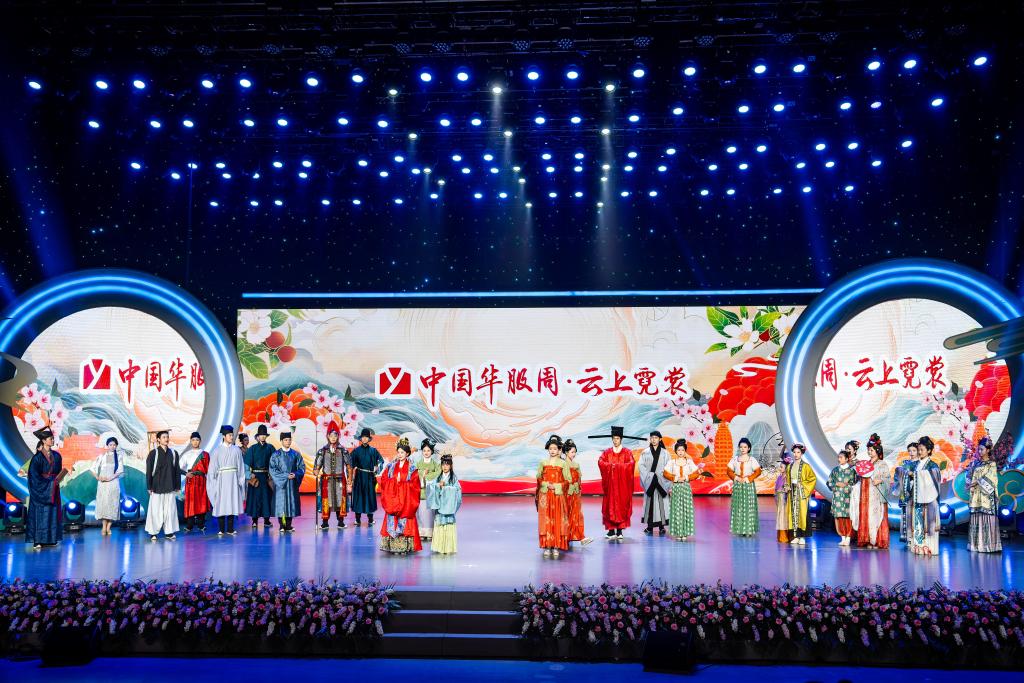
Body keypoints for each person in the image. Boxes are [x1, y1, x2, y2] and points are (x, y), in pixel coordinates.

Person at [591, 425, 643, 540]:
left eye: (617, 438)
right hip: (610, 485)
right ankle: (611, 530)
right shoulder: (607, 452)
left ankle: (619, 530)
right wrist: (611, 466)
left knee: (621, 505)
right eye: (614, 438)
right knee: (609, 505)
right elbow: (601, 462)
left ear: (621, 439)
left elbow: (631, 464)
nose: (615, 441)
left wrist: (618, 467)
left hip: (622, 486)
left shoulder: (627, 452)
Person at [378, 437, 422, 554]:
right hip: (393, 500)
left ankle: (404, 547)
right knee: (392, 518)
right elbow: (383, 480)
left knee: (405, 518)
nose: (400, 454)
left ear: (407, 453)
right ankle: (392, 546)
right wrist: (393, 482)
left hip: (405, 501)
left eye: (402, 452)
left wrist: (402, 484)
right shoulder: (390, 466)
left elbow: (415, 486)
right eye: (398, 452)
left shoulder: (412, 468)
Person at [26, 427, 65, 549]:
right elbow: (33, 476)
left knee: (52, 513)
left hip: (53, 488)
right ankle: (38, 540)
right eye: (50, 439)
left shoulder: (57, 456)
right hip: (41, 489)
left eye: (53, 438)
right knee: (40, 514)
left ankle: (51, 539)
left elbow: (58, 473)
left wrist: (57, 480)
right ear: (43, 441)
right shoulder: (37, 458)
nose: (53, 440)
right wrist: (48, 483)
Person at [850, 433, 890, 549]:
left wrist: (880, 480)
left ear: (877, 451)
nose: (869, 452)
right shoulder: (866, 464)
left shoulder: (882, 464)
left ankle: (876, 540)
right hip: (866, 494)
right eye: (868, 450)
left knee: (876, 517)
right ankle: (867, 539)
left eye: (871, 450)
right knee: (867, 516)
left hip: (876, 495)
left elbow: (887, 478)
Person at [536, 434, 571, 557]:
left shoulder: (563, 464)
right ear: (548, 449)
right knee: (545, 520)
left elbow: (568, 480)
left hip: (557, 496)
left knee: (557, 519)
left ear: (559, 450)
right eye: (550, 448)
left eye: (555, 449)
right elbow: (538, 478)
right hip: (545, 495)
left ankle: (556, 546)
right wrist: (546, 484)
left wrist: (556, 486)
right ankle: (547, 546)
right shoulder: (543, 463)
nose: (552, 451)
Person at [208, 425, 246, 536]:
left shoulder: (236, 450)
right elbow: (212, 469)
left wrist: (241, 481)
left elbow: (240, 467)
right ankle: (221, 529)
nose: (231, 437)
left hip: (233, 480)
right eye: (229, 435)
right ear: (224, 436)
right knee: (221, 503)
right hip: (221, 481)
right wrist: (214, 483)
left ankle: (230, 529)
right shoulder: (217, 451)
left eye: (232, 435)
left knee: (232, 503)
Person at [908, 435, 942, 556]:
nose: (919, 452)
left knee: (928, 524)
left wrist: (916, 475)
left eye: (922, 449)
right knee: (917, 523)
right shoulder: (915, 464)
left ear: (929, 450)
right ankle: (918, 547)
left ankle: (930, 547)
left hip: (929, 501)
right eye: (919, 449)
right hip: (916, 499)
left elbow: (935, 480)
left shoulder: (933, 465)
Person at [968, 435, 1002, 553]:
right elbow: (971, 476)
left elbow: (992, 479)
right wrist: (970, 482)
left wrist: (977, 482)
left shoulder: (991, 464)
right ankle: (976, 545)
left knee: (986, 517)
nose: (980, 451)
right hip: (976, 495)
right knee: (976, 516)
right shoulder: (976, 464)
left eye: (982, 449)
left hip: (986, 496)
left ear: (988, 450)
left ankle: (988, 546)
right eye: (979, 449)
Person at [145, 430, 181, 541]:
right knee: (155, 511)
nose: (166, 439)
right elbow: (149, 471)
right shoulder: (153, 453)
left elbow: (177, 470)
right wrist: (149, 486)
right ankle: (153, 532)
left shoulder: (173, 453)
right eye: (164, 437)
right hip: (157, 486)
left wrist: (177, 486)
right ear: (158, 439)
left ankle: (169, 532)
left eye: (167, 437)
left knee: (170, 511)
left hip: (170, 486)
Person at [313, 421, 348, 530]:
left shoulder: (343, 450)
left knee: (339, 500)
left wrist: (350, 479)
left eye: (335, 435)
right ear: (328, 436)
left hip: (339, 480)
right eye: (331, 435)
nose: (333, 438)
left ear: (338, 436)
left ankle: (340, 522)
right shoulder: (322, 451)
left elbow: (349, 465)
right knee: (326, 501)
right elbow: (317, 465)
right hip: (326, 480)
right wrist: (316, 470)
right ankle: (325, 522)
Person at [780, 443, 817, 545]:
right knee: (792, 514)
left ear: (802, 453)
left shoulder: (806, 466)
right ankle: (796, 536)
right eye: (795, 452)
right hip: (792, 492)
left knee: (802, 514)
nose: (796, 454)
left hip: (801, 493)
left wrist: (801, 484)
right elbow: (787, 480)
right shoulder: (790, 466)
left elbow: (812, 479)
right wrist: (787, 486)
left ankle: (803, 537)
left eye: (798, 452)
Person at [663, 439, 700, 540]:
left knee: (686, 510)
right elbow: (665, 473)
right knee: (676, 510)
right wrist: (675, 478)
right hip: (676, 488)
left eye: (682, 450)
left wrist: (686, 477)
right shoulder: (672, 462)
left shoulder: (689, 462)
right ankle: (678, 532)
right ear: (676, 451)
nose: (680, 452)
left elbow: (696, 473)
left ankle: (685, 533)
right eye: (679, 450)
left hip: (686, 488)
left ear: (685, 451)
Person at [427, 454, 462, 554]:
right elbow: (431, 487)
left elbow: (458, 490)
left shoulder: (453, 478)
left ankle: (448, 548)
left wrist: (445, 488)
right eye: (443, 464)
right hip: (440, 506)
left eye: (447, 464)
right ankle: (439, 547)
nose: (445, 467)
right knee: (440, 526)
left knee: (448, 526)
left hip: (449, 508)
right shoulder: (438, 477)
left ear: (451, 466)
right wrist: (438, 485)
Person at [270, 431, 305, 532]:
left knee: (291, 503)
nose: (288, 442)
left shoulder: (295, 454)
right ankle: (282, 525)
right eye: (285, 440)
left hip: (292, 483)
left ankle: (288, 525)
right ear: (281, 441)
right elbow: (273, 469)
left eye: (289, 440)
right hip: (281, 484)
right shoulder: (276, 455)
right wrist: (285, 476)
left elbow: (302, 467)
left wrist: (296, 474)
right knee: (281, 503)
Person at [349, 428, 385, 526]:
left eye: (366, 437)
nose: (364, 439)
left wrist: (377, 468)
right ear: (361, 438)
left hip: (369, 477)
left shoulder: (373, 450)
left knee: (370, 497)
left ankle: (370, 519)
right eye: (363, 437)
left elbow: (381, 461)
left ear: (369, 439)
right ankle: (357, 519)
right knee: (358, 497)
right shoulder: (356, 451)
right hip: (359, 477)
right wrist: (350, 477)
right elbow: (349, 463)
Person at [727, 437, 761, 536]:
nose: (743, 449)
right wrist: (736, 477)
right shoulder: (735, 459)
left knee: (748, 507)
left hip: (748, 486)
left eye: (745, 447)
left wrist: (748, 479)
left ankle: (749, 530)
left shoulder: (752, 459)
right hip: (738, 486)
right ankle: (740, 529)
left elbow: (758, 471)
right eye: (741, 447)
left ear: (749, 448)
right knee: (738, 507)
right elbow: (729, 471)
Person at [638, 430, 671, 536]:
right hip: (649, 481)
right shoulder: (645, 452)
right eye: (652, 437)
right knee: (650, 504)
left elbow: (668, 468)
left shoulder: (665, 453)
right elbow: (641, 466)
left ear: (660, 439)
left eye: (656, 438)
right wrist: (650, 477)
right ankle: (650, 526)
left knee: (661, 504)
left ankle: (661, 527)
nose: (653, 440)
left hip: (661, 481)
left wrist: (662, 478)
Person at [243, 425, 275, 528]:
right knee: (255, 499)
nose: (263, 436)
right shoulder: (252, 449)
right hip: (255, 477)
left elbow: (275, 462)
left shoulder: (270, 448)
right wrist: (249, 475)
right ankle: (254, 521)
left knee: (266, 498)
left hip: (266, 477)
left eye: (264, 435)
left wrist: (272, 474)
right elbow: (246, 464)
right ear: (258, 436)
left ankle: (267, 520)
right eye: (261, 435)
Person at [92, 436, 125, 535]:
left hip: (113, 483)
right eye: (110, 445)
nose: (112, 446)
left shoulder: (119, 457)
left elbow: (120, 470)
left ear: (116, 446)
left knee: (113, 504)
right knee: (104, 504)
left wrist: (110, 478)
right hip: (103, 484)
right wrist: (98, 477)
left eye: (114, 445)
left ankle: (109, 527)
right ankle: (103, 527)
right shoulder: (102, 456)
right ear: (107, 445)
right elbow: (93, 468)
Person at [179, 431, 211, 532]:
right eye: (193, 440)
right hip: (191, 480)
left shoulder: (205, 454)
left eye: (197, 440)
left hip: (202, 481)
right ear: (190, 441)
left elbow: (209, 470)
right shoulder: (187, 454)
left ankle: (201, 524)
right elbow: (178, 468)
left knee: (201, 501)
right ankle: (189, 525)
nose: (195, 442)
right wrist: (186, 474)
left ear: (200, 441)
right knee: (191, 501)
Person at [563, 439, 593, 546]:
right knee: (567, 515)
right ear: (566, 452)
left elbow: (579, 479)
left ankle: (580, 536)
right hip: (566, 493)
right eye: (572, 452)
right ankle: (565, 536)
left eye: (575, 452)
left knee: (577, 514)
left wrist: (579, 489)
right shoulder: (563, 464)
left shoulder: (576, 464)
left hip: (575, 493)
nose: (574, 454)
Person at [826, 449, 858, 546]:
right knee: (839, 518)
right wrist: (836, 484)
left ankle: (848, 537)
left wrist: (845, 486)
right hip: (837, 497)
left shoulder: (852, 471)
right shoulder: (835, 470)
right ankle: (842, 537)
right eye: (838, 457)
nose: (839, 459)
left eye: (841, 457)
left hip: (848, 498)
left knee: (848, 518)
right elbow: (829, 482)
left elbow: (855, 485)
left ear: (847, 459)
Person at [415, 438, 443, 540]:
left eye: (428, 450)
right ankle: (421, 532)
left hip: (431, 493)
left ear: (431, 451)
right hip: (421, 493)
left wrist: (426, 476)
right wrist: (422, 474)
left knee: (430, 513)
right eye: (424, 450)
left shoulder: (435, 464)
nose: (426, 452)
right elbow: (415, 475)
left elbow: (438, 473)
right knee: (421, 512)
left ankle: (430, 532)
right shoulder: (418, 464)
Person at [892, 442, 919, 543]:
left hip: (916, 491)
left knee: (915, 514)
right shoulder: (905, 463)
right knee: (905, 514)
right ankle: (907, 537)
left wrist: (913, 475)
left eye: (914, 450)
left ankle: (916, 537)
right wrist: (900, 473)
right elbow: (897, 477)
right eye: (909, 451)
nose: (911, 453)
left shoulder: (920, 464)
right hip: (905, 491)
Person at [773, 448, 794, 543]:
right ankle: (781, 536)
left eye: (781, 467)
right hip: (780, 501)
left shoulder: (788, 478)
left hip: (785, 501)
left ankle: (786, 536)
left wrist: (783, 490)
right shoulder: (779, 477)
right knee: (780, 516)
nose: (780, 468)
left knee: (784, 517)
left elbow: (787, 489)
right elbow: (776, 489)